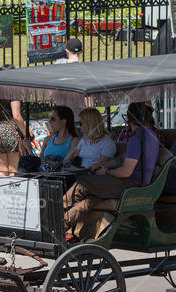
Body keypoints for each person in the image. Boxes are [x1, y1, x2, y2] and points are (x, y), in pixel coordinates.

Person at [63, 103, 160, 241]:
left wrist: (107, 172)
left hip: (131, 185)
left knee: (83, 182)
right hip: (134, 182)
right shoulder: (149, 134)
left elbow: (126, 171)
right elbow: (123, 158)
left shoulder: (137, 137)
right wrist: (101, 164)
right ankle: (61, 225)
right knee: (88, 201)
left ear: (128, 117)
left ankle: (55, 213)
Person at [0, 66, 29, 177]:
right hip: (10, 130)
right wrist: (27, 134)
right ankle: (12, 193)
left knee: (2, 169)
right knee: (13, 169)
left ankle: (1, 193)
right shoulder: (13, 91)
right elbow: (16, 116)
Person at [38, 106, 79, 171]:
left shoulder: (74, 141)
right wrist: (29, 148)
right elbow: (39, 162)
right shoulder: (47, 140)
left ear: (64, 121)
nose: (50, 122)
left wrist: (47, 162)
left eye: (53, 119)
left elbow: (66, 164)